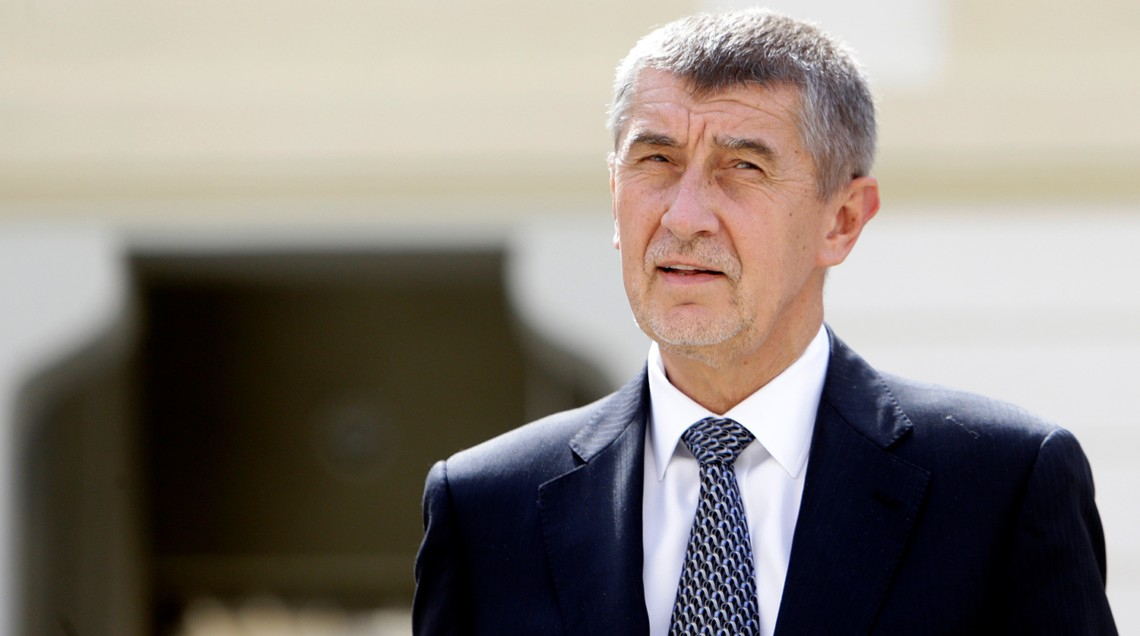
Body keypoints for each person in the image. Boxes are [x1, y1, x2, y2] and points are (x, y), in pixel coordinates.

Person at [412, 8, 1117, 635]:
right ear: (615, 193)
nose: (684, 216)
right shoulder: (485, 509)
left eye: (743, 167)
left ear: (842, 220)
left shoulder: (1002, 487)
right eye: (656, 160)